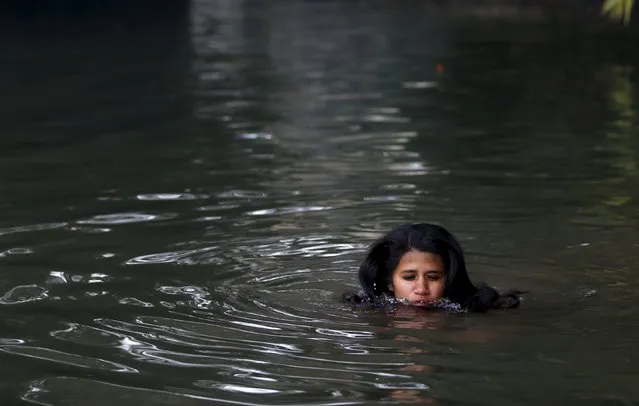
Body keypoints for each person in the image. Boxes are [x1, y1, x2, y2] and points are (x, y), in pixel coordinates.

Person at [344, 223, 523, 312]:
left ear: (448, 279)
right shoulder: (368, 314)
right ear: (390, 281)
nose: (422, 289)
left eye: (433, 277)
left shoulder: (475, 314)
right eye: (409, 277)